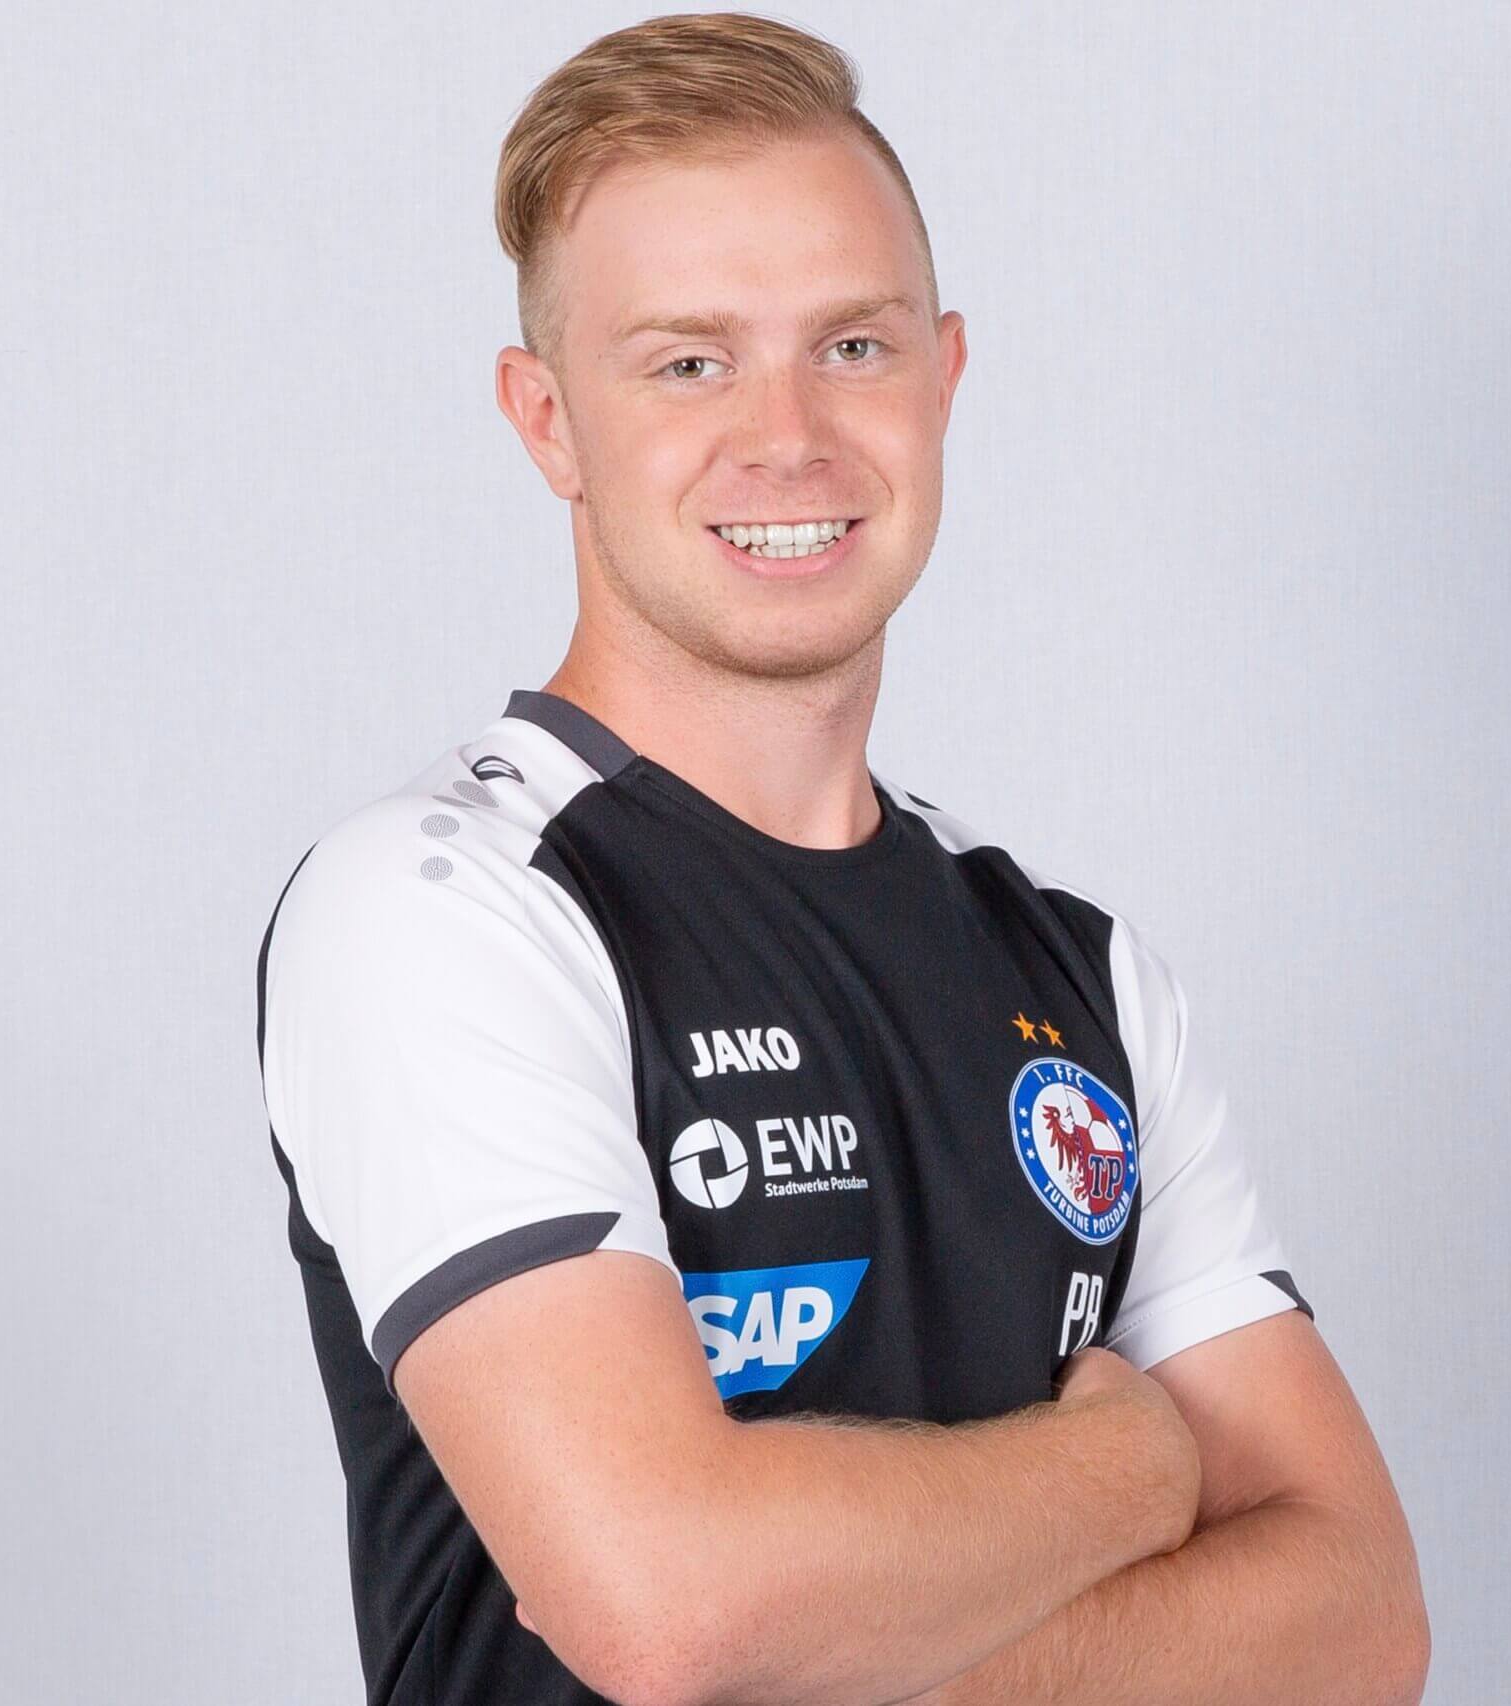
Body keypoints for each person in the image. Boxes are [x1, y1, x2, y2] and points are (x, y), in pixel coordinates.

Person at [256, 14, 1427, 1704]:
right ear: (548, 421)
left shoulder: (1079, 974)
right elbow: (668, 1609)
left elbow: (1362, 1613)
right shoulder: (445, 911)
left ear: (945, 379)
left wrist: (861, 1651)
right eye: (688, 364)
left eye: (853, 346)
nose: (788, 435)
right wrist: (1130, 1468)